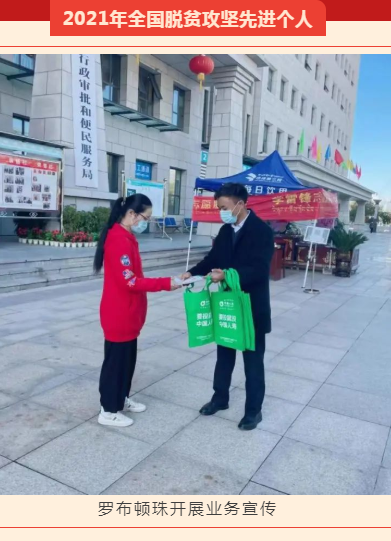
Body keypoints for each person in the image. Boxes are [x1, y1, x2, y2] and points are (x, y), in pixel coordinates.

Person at [180, 183, 274, 431]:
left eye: (224, 207)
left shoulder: (262, 231)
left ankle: (253, 411)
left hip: (251, 307)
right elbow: (212, 259)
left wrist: (228, 275)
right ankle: (219, 398)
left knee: (253, 361)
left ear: (240, 204)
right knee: (224, 356)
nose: (222, 212)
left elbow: (259, 269)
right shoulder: (225, 230)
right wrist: (192, 272)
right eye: (219, 208)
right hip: (227, 305)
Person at [94, 194, 180, 428]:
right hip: (119, 313)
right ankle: (108, 410)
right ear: (132, 214)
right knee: (116, 364)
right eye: (146, 217)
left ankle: (120, 399)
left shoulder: (127, 237)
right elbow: (129, 281)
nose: (146, 222)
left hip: (129, 312)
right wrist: (166, 283)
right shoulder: (118, 240)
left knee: (127, 361)